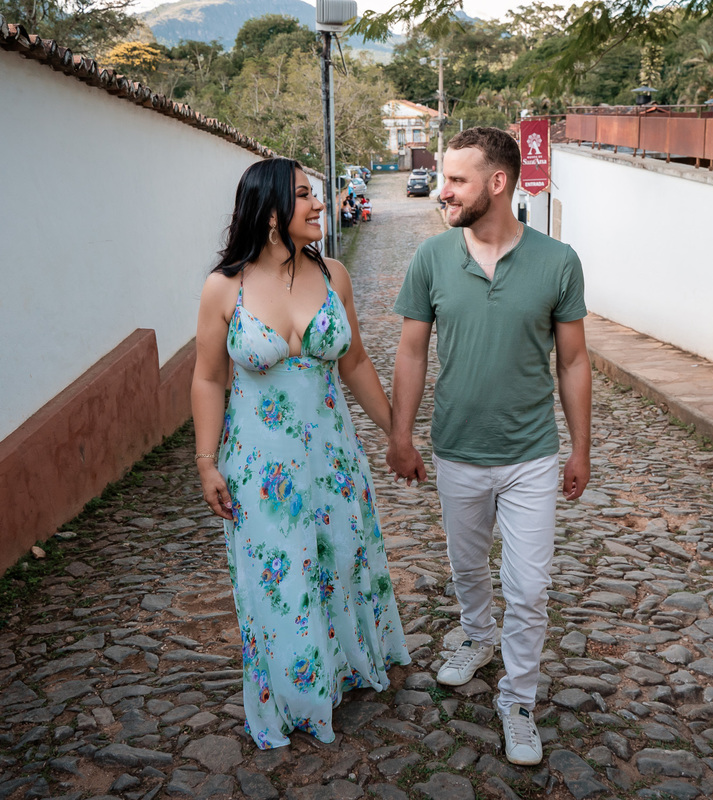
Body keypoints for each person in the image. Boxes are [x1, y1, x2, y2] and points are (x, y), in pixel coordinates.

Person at [387, 127, 593, 766]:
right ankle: (477, 635)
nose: (442, 191)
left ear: (497, 183)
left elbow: (575, 360)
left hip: (531, 453)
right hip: (456, 449)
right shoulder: (431, 258)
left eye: (456, 180)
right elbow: (412, 350)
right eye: (443, 178)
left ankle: (519, 698)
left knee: (529, 587)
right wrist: (400, 433)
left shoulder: (558, 262)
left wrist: (580, 448)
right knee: (468, 566)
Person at [192, 158, 410, 749]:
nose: (321, 205)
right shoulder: (224, 287)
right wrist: (207, 462)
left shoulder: (333, 274)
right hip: (261, 468)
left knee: (340, 560)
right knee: (281, 576)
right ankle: (296, 694)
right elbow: (209, 378)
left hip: (332, 458)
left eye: (317, 195)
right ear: (269, 213)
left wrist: (397, 433)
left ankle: (341, 664)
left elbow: (356, 362)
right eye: (307, 197)